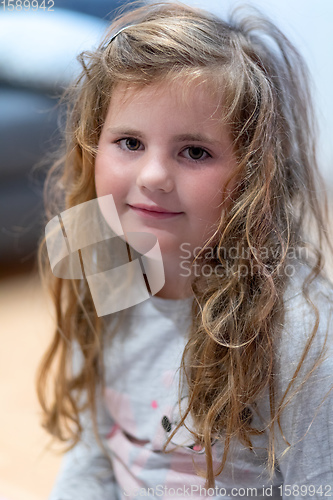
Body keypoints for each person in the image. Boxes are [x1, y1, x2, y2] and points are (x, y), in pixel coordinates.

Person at [37, 2, 333, 499]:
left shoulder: (300, 330)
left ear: (253, 177)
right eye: (129, 142)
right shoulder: (96, 248)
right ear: (92, 145)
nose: (153, 177)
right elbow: (95, 451)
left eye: (194, 151)